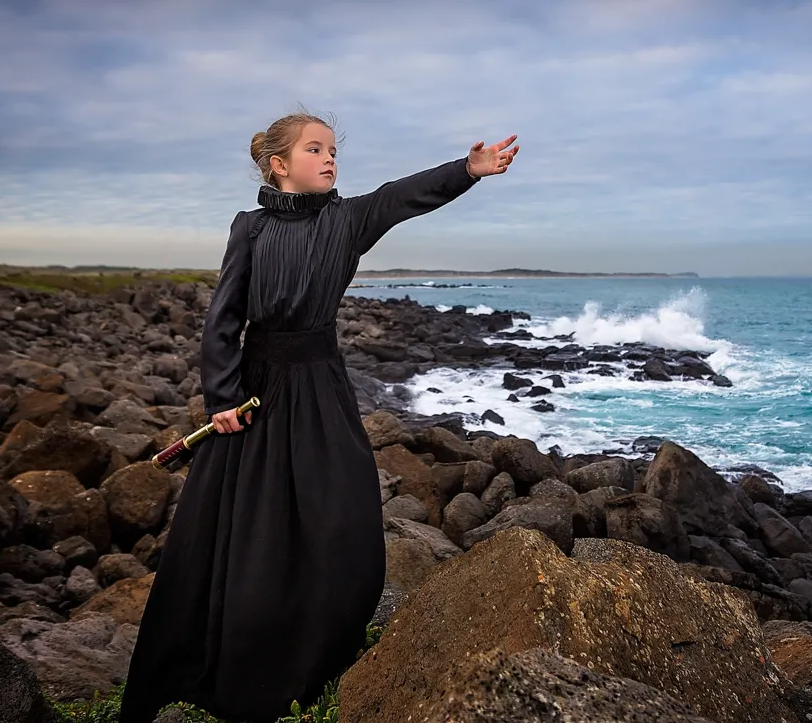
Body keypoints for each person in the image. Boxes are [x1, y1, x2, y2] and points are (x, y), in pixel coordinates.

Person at [118, 110, 519, 723]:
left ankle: (319, 659)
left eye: (334, 150)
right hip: (256, 388)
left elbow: (400, 197)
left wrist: (468, 169)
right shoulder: (248, 228)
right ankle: (234, 660)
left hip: (321, 384)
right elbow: (224, 316)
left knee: (343, 514)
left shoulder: (347, 219)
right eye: (316, 149)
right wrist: (221, 397)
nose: (330, 159)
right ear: (280, 164)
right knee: (243, 527)